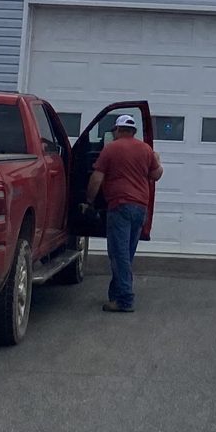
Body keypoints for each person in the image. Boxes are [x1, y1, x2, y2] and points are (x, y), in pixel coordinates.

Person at [83, 114, 162, 313]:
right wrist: (158, 160)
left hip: (120, 206)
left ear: (118, 130)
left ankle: (125, 300)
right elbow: (156, 174)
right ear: (133, 131)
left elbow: (96, 178)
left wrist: (89, 201)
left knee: (119, 254)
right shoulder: (145, 149)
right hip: (140, 208)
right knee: (126, 254)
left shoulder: (111, 149)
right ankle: (116, 295)